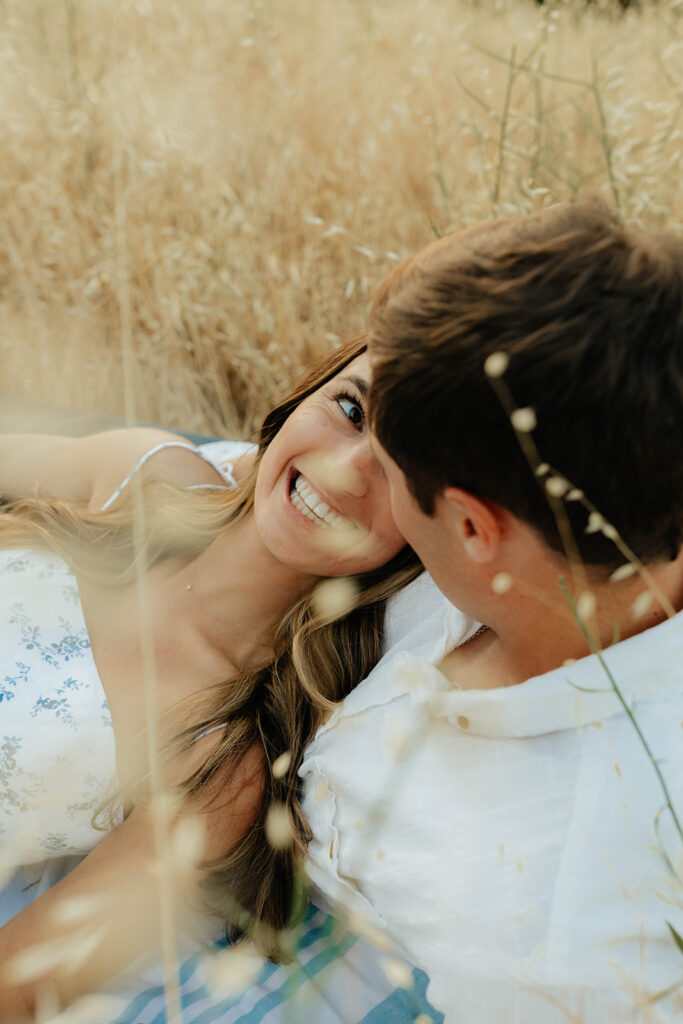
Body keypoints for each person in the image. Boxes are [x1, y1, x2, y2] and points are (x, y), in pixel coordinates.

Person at [301, 198, 683, 1021]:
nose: (357, 472)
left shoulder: (559, 940)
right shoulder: (602, 485)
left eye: (389, 461)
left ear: (475, 526)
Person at [0, 335, 421, 1020]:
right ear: (308, 391)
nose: (347, 471)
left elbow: (21, 983)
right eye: (350, 408)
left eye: (405, 471)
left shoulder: (222, 759)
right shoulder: (140, 472)